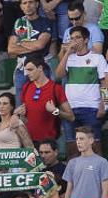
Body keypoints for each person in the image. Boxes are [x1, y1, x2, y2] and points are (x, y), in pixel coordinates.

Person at [55, 26, 107, 158]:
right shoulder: (69, 58)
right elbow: (59, 75)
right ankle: (73, 179)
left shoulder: (98, 58)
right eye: (72, 38)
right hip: (70, 109)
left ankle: (102, 178)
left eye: (78, 37)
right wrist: (66, 53)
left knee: (94, 146)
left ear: (86, 40)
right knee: (72, 147)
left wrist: (104, 104)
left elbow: (105, 82)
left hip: (91, 108)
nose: (74, 41)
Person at [17, 57, 74, 144]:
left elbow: (71, 117)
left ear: (40, 68)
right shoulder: (26, 87)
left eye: (30, 70)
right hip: (29, 142)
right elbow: (24, 118)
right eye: (26, 70)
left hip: (49, 142)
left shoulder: (55, 88)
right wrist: (20, 114)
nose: (27, 73)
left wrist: (55, 111)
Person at [7, 0, 53, 97]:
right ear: (21, 6)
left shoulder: (45, 22)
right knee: (20, 102)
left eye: (31, 2)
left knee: (43, 98)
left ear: (37, 4)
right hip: (22, 66)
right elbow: (11, 49)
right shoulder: (20, 23)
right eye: (24, 3)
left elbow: (40, 45)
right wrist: (33, 45)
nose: (28, 5)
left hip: (40, 66)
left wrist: (20, 42)